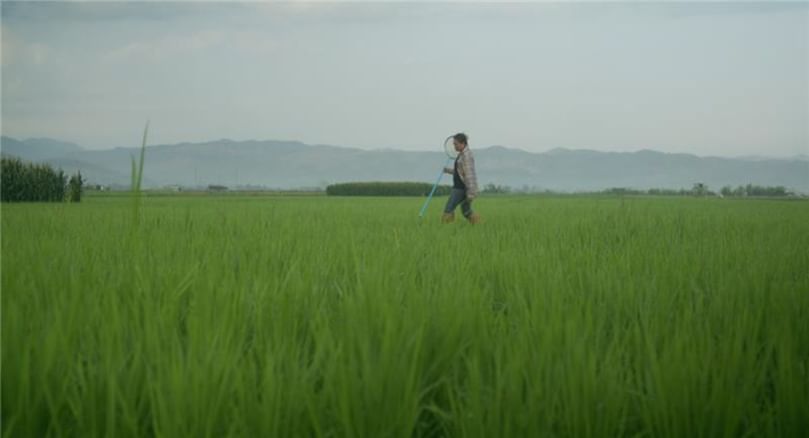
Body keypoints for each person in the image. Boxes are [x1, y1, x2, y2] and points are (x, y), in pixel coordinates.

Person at [442, 133, 481, 224]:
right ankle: (479, 225)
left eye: (456, 144)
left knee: (449, 208)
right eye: (453, 144)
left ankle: (445, 229)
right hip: (462, 187)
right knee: (466, 211)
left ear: (463, 143)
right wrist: (448, 171)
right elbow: (460, 172)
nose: (454, 146)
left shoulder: (466, 156)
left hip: (460, 188)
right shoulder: (462, 154)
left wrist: (471, 192)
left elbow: (469, 174)